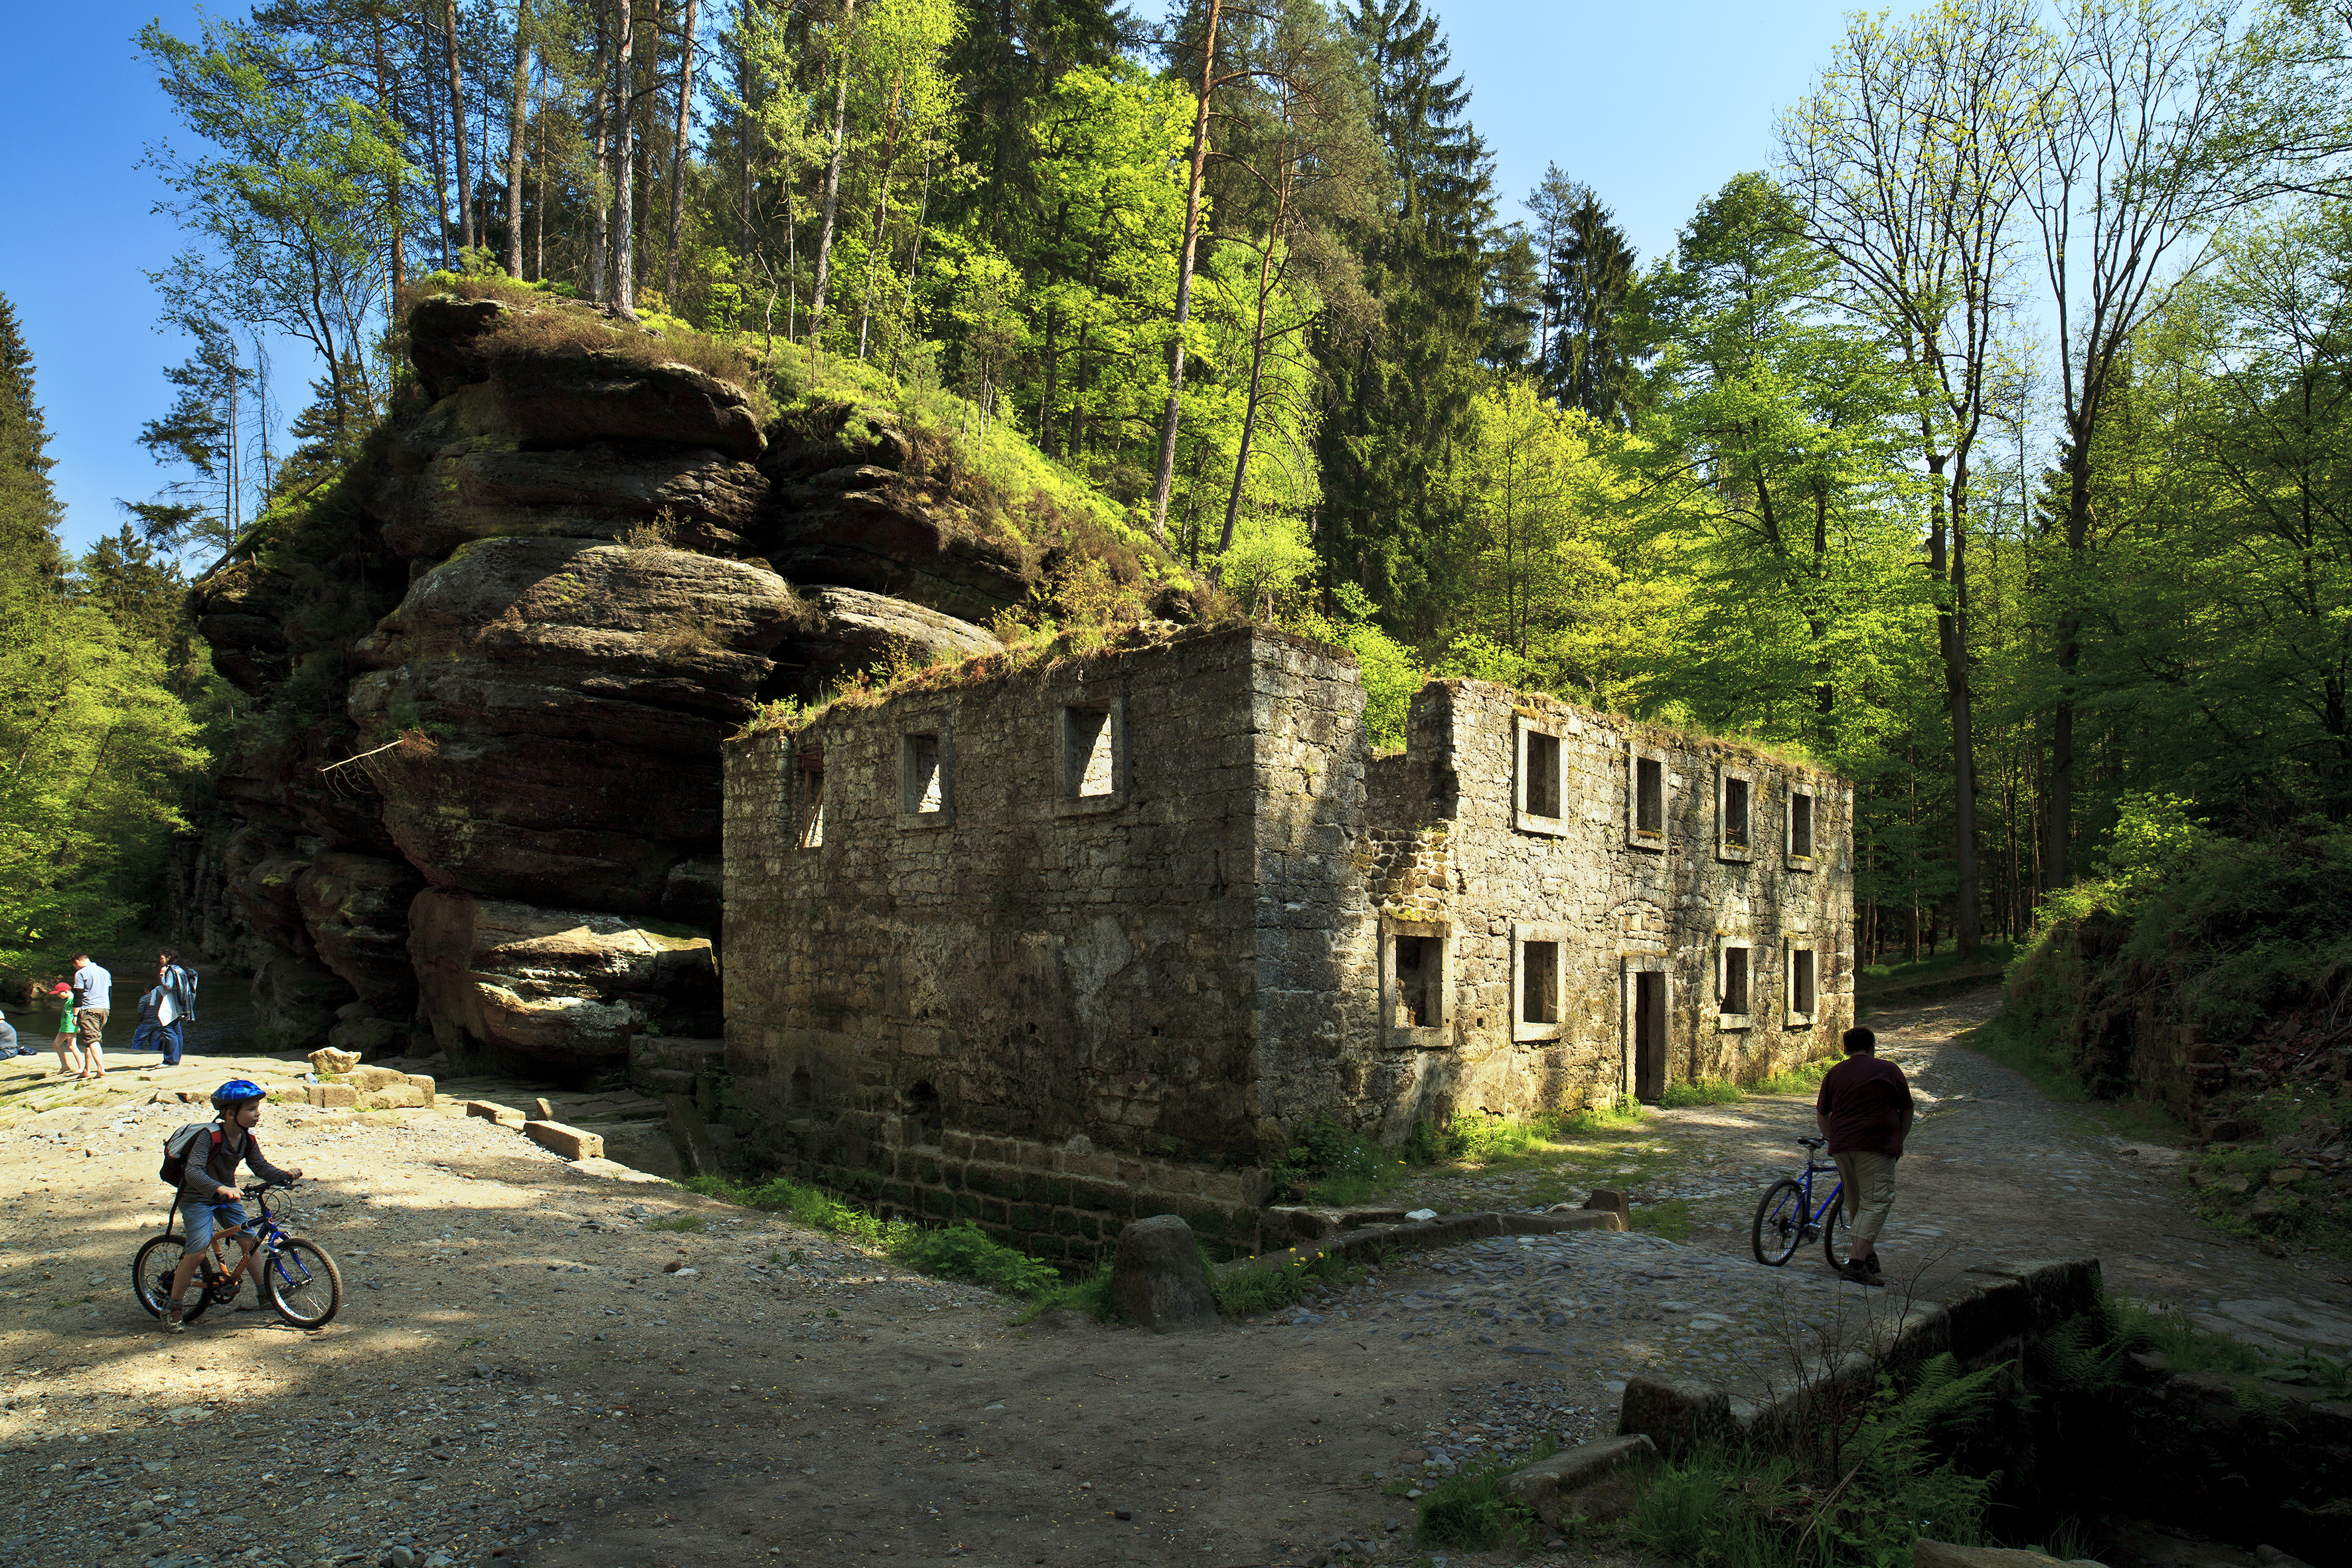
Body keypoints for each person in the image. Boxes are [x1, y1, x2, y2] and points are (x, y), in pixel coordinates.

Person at [161, 1080, 303, 1332]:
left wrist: (283, 1175)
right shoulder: (209, 1137)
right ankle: (173, 1307)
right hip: (197, 1199)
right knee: (197, 1252)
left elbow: (260, 1166)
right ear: (230, 1114)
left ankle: (265, 1294)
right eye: (251, 1109)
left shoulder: (247, 1139)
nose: (258, 1114)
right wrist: (220, 1188)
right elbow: (193, 1172)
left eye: (257, 1108)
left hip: (228, 1198)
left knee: (250, 1241)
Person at [1814, 1025, 1915, 1287]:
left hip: (1842, 1144)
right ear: (1873, 1046)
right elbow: (1907, 1108)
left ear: (1845, 1049)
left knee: (1856, 1201)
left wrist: (1830, 1138)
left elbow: (1823, 1114)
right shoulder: (1889, 1069)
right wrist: (1898, 1140)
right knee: (1878, 1202)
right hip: (1876, 1143)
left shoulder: (1834, 1073)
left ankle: (1868, 1256)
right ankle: (1856, 1264)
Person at [68, 954, 110, 1079]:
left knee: (92, 1040)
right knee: (89, 1040)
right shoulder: (105, 972)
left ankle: (101, 1069)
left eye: (74, 965)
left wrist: (75, 1015)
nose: (75, 968)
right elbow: (110, 992)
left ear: (77, 962)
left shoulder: (81, 973)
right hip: (104, 1008)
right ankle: (87, 1070)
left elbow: (78, 995)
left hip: (89, 1009)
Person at [155, 949, 198, 1067]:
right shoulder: (181, 969)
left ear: (168, 957)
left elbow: (169, 986)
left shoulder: (171, 970)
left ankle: (170, 1061)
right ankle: (175, 1059)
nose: (160, 960)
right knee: (176, 1031)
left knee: (168, 1030)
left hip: (172, 1003)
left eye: (162, 958)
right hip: (180, 1003)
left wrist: (162, 976)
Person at [46, 981, 82, 1078]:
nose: (58, 996)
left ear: (66, 991)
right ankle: (65, 1066)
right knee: (56, 1045)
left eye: (59, 993)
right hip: (64, 1026)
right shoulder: (68, 1000)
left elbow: (79, 1012)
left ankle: (81, 1067)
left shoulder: (73, 1000)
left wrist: (78, 1026)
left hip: (70, 1026)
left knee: (72, 1046)